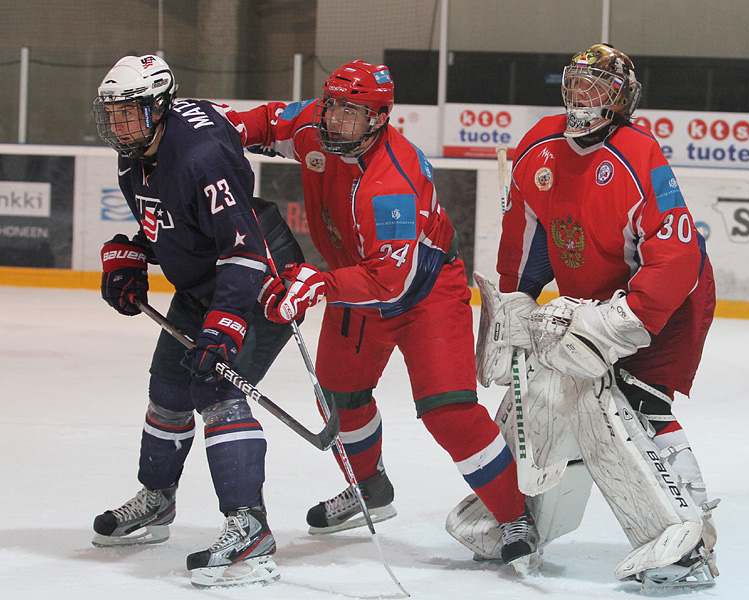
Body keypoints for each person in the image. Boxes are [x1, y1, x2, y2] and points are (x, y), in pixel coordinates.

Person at [225, 60, 538, 574]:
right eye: (332, 107)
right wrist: (188, 122)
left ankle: (515, 516)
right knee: (339, 395)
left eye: (352, 113)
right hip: (357, 279)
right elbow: (255, 123)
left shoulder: (390, 179)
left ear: (379, 119)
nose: (335, 121)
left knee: (448, 411)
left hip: (425, 292)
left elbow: (390, 280)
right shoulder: (313, 127)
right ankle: (369, 487)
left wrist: (319, 283)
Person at [461, 43, 719, 588]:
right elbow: (528, 240)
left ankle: (689, 533)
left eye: (597, 87)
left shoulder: (638, 154)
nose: (583, 95)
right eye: (576, 84)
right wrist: (516, 302)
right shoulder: (540, 146)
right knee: (545, 389)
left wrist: (623, 322)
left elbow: (676, 256)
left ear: (621, 99)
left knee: (635, 403)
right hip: (596, 300)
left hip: (669, 299)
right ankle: (513, 514)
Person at [91, 54, 304, 588]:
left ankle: (251, 532)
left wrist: (224, 325)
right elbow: (173, 225)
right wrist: (132, 254)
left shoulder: (203, 156)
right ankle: (159, 501)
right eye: (113, 115)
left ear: (159, 106)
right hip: (203, 279)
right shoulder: (135, 153)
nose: (120, 126)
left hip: (256, 281)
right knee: (167, 387)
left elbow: (244, 250)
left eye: (130, 114)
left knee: (217, 392)